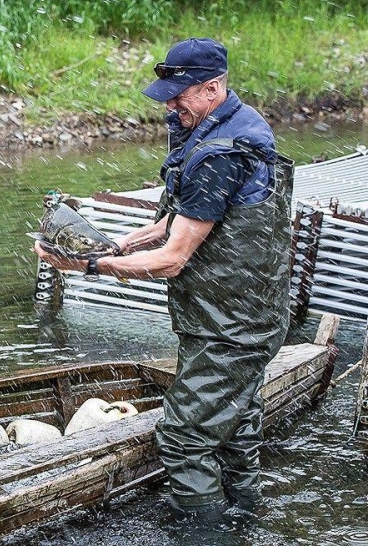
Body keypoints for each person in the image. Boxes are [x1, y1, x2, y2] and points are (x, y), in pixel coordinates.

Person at [35, 38, 291, 518]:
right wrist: (123, 244)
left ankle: (206, 531)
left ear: (213, 88)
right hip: (227, 312)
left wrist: (87, 265)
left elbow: (173, 258)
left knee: (184, 438)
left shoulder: (220, 152)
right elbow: (191, 215)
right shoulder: (229, 124)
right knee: (236, 426)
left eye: (180, 94)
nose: (170, 105)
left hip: (233, 326)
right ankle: (244, 516)